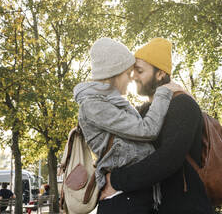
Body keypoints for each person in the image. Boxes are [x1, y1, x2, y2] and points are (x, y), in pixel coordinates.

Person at [100, 38, 214, 214]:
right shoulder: (143, 112)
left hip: (185, 207)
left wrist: (115, 181)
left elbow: (168, 159)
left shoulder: (182, 104)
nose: (133, 76)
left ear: (160, 74)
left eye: (139, 71)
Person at [73, 37, 183, 214]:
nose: (131, 79)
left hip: (132, 195)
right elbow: (147, 130)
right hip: (122, 200)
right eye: (127, 73)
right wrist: (165, 91)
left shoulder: (110, 103)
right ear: (113, 75)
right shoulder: (94, 106)